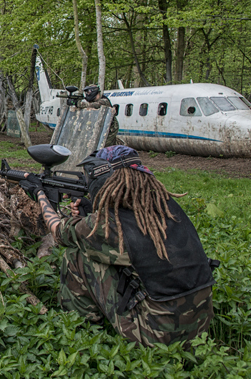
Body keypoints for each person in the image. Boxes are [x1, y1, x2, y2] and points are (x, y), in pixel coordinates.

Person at [19, 145, 216, 348]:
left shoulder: (109, 224)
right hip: (200, 327)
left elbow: (59, 231)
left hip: (158, 337)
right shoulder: (164, 206)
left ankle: (81, 333)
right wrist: (92, 211)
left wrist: (40, 194)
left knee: (76, 255)